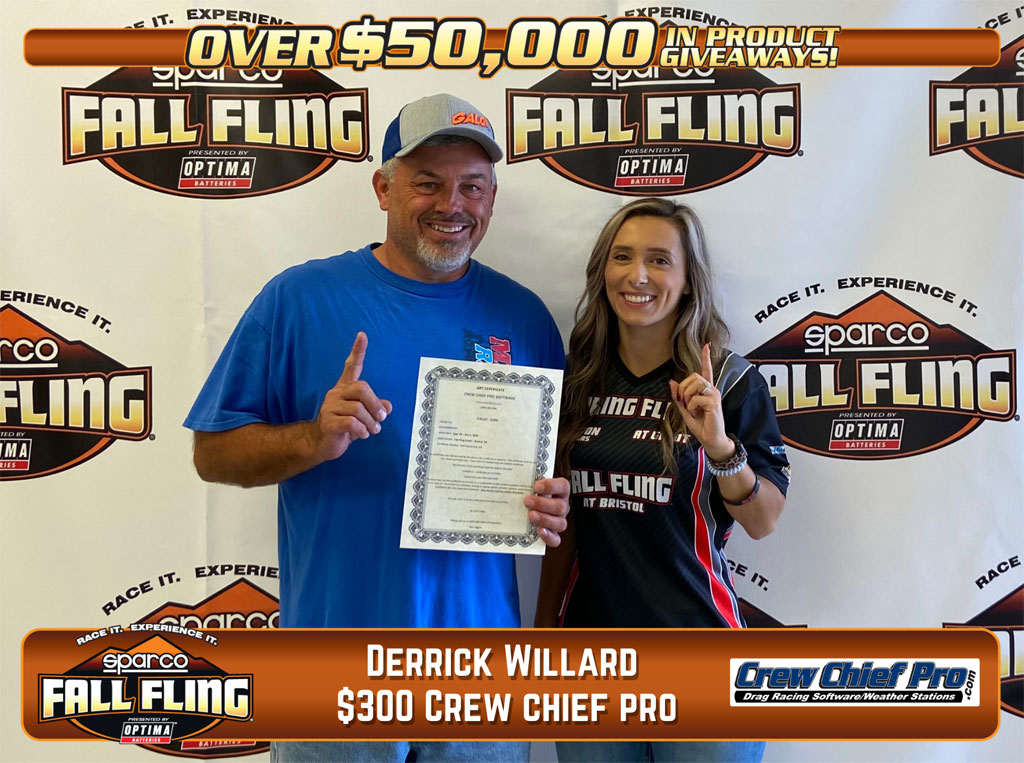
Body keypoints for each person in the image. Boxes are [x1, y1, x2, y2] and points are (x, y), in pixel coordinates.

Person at [185, 93, 569, 763]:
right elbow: (212, 455)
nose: (452, 204)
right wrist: (313, 438)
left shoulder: (525, 317)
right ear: (383, 189)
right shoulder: (299, 300)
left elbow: (553, 481)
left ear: (491, 198)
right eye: (428, 182)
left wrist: (550, 504)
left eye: (472, 186)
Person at [536, 198, 790, 763]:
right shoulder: (577, 378)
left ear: (689, 279)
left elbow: (764, 520)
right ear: (602, 271)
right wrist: (543, 629)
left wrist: (720, 448)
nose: (638, 275)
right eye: (622, 257)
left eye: (659, 259)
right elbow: (563, 525)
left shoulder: (729, 382)